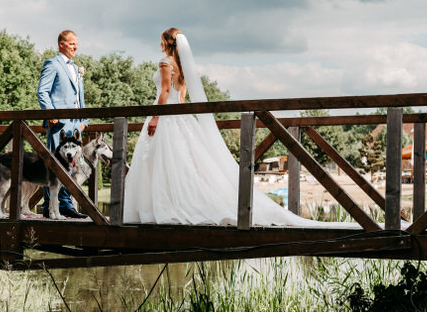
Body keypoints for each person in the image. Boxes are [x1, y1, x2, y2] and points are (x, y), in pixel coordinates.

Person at [123, 27, 325, 227]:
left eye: (161, 40)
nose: (160, 44)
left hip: (166, 116)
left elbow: (166, 90)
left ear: (167, 42)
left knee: (160, 162)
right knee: (180, 163)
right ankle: (177, 204)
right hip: (181, 117)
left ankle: (161, 207)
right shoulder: (183, 66)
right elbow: (182, 97)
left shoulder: (166, 63)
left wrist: (155, 118)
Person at [37, 30, 88, 219]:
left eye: (77, 43)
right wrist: (51, 113)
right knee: (55, 166)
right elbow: (42, 92)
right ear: (61, 44)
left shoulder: (75, 68)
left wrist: (83, 122)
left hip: (75, 127)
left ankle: (65, 205)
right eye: (72, 43)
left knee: (71, 167)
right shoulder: (53, 64)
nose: (76, 47)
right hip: (58, 126)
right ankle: (51, 207)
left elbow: (79, 97)